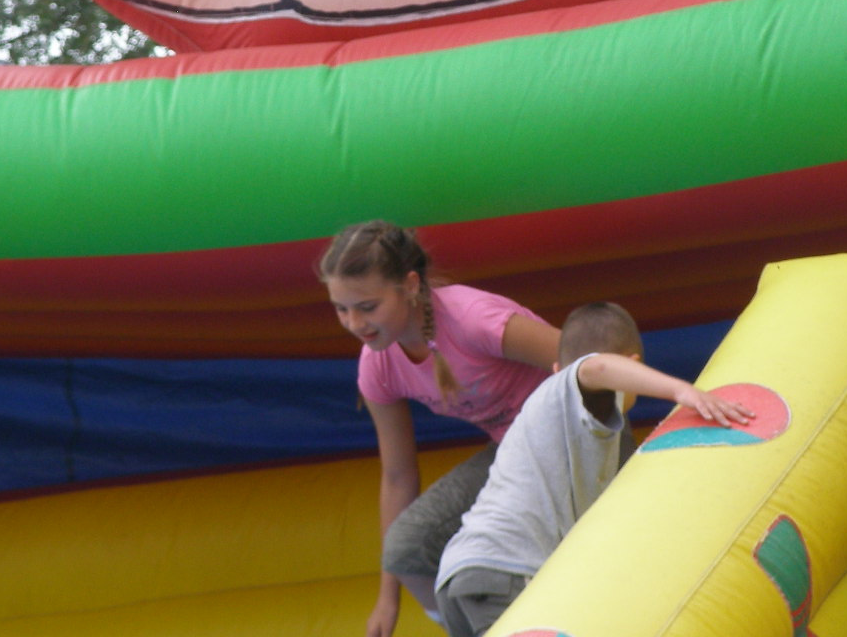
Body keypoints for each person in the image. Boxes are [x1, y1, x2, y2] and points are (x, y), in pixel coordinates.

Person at [433, 301, 754, 637]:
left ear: (555, 367)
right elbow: (595, 368)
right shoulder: (571, 391)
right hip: (506, 568)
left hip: (466, 573)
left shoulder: (567, 429)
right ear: (632, 365)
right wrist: (682, 391)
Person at [319, 220, 563, 637]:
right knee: (409, 549)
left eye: (368, 307)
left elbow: (582, 359)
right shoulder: (377, 364)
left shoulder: (472, 320)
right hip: (514, 453)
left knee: (473, 577)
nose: (354, 323)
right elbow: (397, 475)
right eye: (342, 309)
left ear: (410, 285)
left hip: (566, 440)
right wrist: (387, 597)